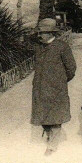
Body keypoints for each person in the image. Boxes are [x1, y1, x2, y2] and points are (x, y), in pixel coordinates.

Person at [31, 18, 76, 155]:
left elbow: (71, 69)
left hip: (56, 90)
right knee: (43, 116)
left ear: (51, 33)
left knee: (56, 118)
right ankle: (50, 137)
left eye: (42, 33)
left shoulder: (62, 47)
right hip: (40, 88)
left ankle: (52, 147)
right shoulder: (39, 48)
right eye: (39, 33)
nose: (39, 35)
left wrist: (59, 82)